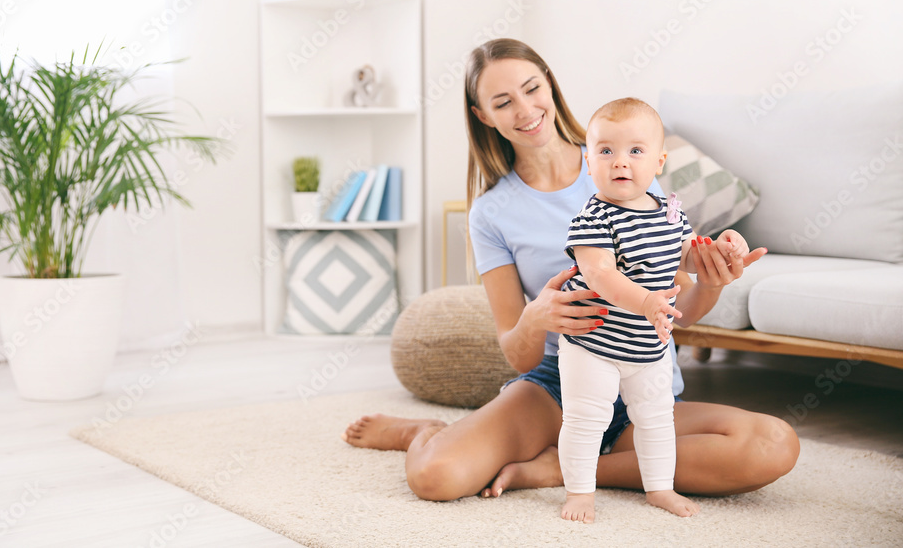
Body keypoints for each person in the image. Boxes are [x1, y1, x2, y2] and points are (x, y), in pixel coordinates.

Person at [342, 38, 799, 507]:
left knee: (772, 444)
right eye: (503, 102)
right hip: (556, 390)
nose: (524, 109)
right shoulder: (491, 213)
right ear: (484, 116)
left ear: (550, 86)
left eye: (530, 88)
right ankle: (425, 431)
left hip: (645, 382)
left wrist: (711, 283)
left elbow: (679, 311)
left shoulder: (626, 166)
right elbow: (515, 351)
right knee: (434, 476)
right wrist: (536, 317)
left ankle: (567, 467)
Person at [556, 97, 748, 522]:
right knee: (587, 418)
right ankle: (579, 493)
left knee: (658, 419)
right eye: (606, 151)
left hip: (650, 347)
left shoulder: (672, 212)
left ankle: (660, 488)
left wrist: (725, 248)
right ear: (589, 163)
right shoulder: (593, 218)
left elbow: (691, 258)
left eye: (635, 151)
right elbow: (601, 274)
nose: (620, 162)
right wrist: (645, 301)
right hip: (594, 343)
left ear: (659, 162)